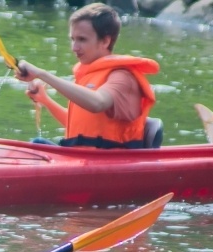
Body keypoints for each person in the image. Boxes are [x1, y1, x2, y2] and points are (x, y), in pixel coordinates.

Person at [14, 2, 159, 149]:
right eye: (73, 39)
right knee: (38, 144)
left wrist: (41, 74)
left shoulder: (122, 77)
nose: (74, 47)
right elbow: (78, 126)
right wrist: (45, 100)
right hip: (82, 157)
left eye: (82, 39)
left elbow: (98, 103)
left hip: (108, 160)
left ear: (105, 41)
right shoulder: (89, 74)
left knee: (36, 145)